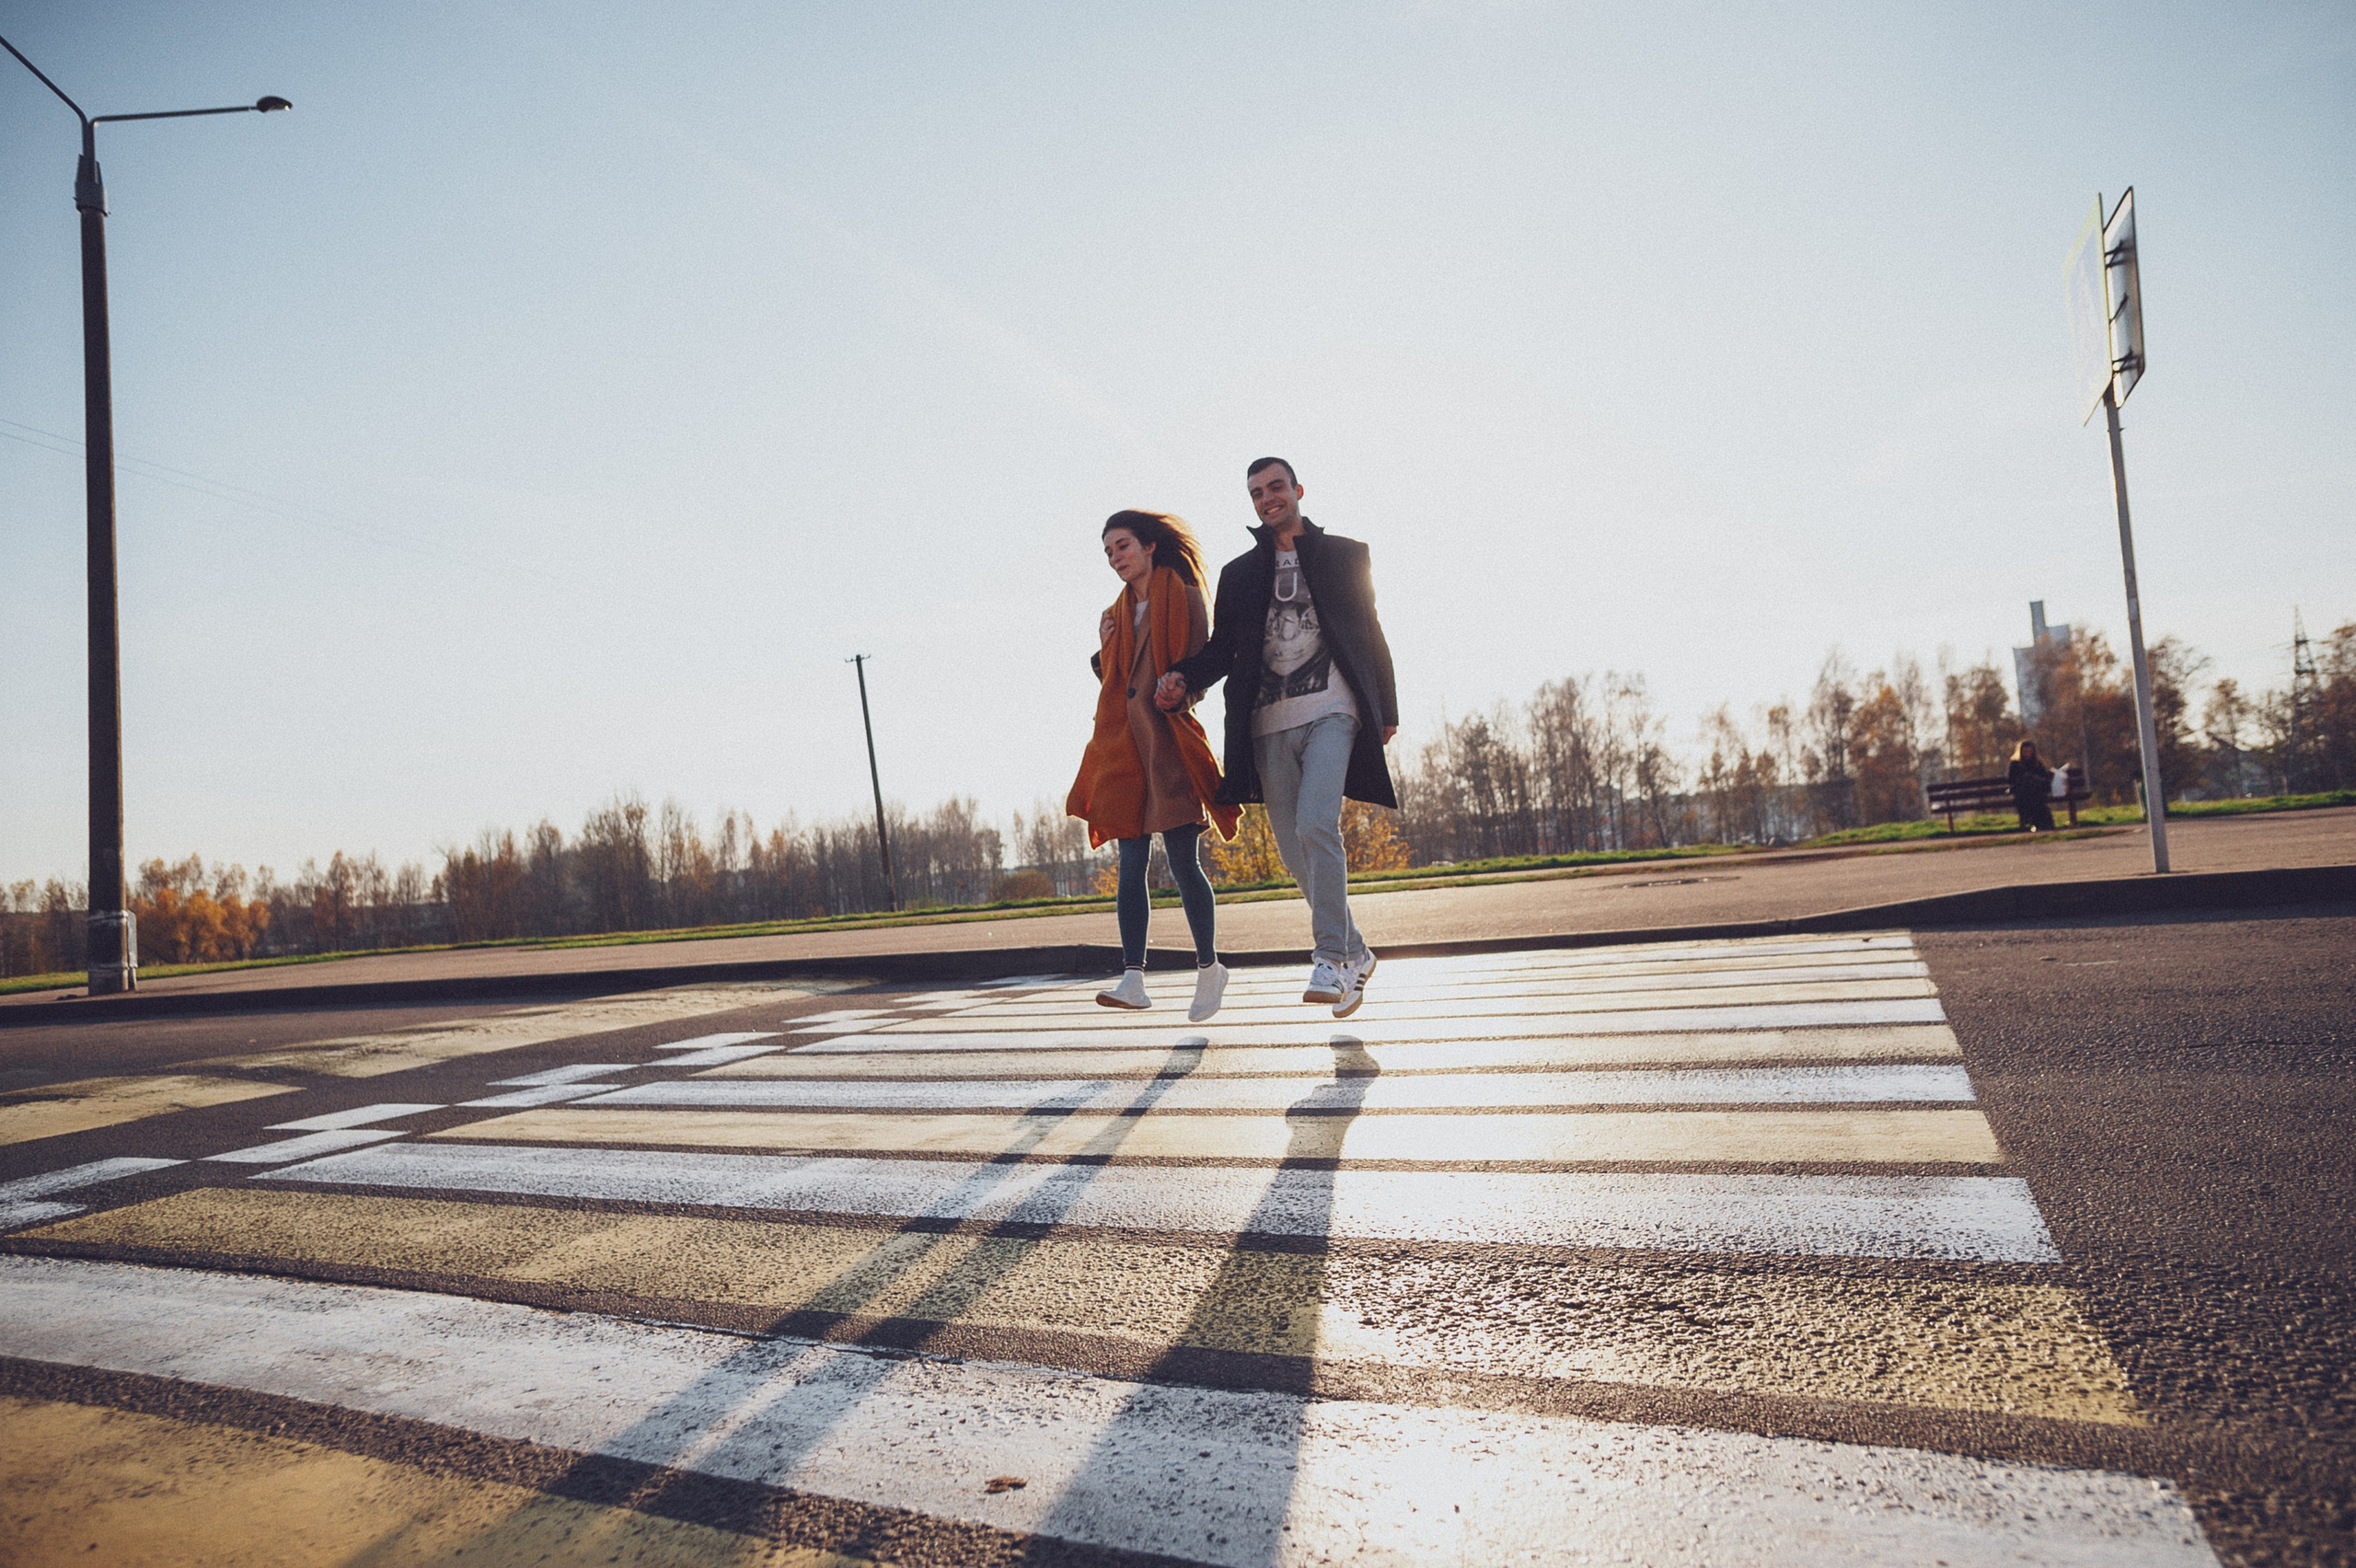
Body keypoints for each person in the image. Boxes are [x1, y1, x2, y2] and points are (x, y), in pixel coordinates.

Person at [1156, 457, 1398, 1019]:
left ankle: (1332, 958)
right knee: (1294, 851)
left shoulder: (1345, 554)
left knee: (1318, 823)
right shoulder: (1240, 574)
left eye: (1276, 487)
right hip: (1266, 721)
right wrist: (1185, 678)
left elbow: (1371, 630)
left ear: (1297, 491)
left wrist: (1385, 705)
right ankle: (1359, 952)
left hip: (1333, 709)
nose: (1268, 498)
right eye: (1257, 492)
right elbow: (1222, 649)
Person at [1066, 510, 1241, 1020]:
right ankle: (1133, 977)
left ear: (1150, 548)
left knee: (1185, 863)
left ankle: (1209, 968)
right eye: (1109, 552)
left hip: (1168, 743)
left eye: (1122, 546)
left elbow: (1201, 673)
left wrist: (1180, 688)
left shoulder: (1184, 596)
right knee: (1130, 865)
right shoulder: (1115, 614)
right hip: (1123, 750)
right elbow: (1116, 680)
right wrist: (1103, 650)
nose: (1116, 558)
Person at [2007, 739, 2057, 832]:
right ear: (2020, 752)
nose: (2028, 754)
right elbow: (2011, 780)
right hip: (2022, 793)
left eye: (2030, 752)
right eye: (2025, 752)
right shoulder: (2015, 764)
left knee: (2036, 798)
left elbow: (2044, 777)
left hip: (2036, 793)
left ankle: (2040, 823)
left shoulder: (2037, 763)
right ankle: (2039, 823)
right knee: (2029, 786)